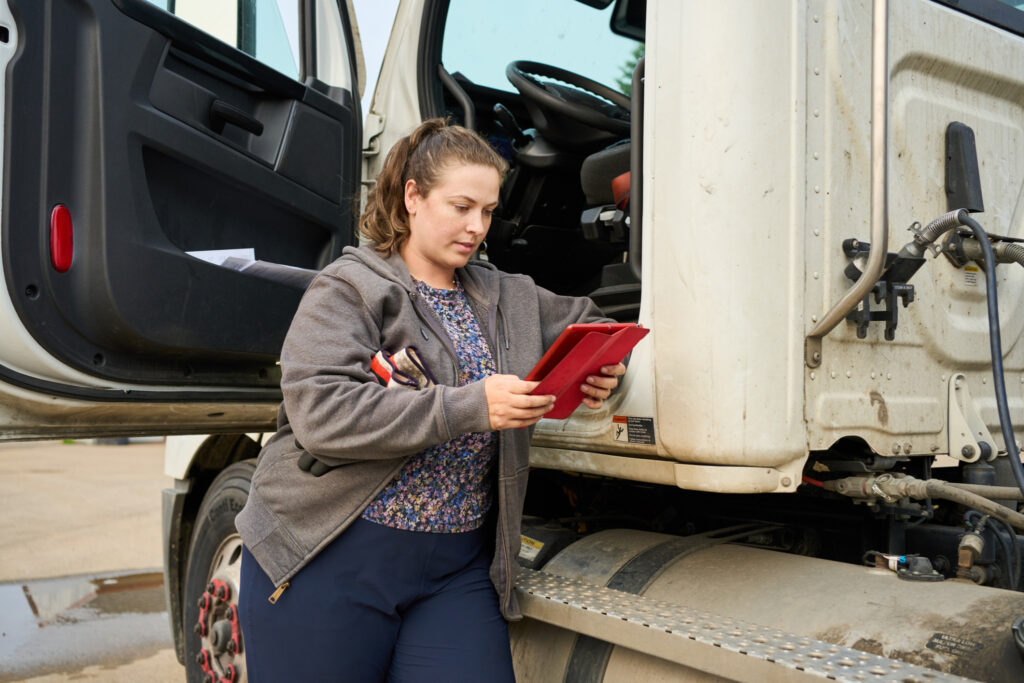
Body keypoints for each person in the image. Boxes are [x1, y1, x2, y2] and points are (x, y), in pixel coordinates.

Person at [234, 118, 625, 681]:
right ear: (412, 197)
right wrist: (469, 406)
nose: (476, 228)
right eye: (461, 206)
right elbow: (322, 415)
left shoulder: (506, 293)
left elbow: (594, 325)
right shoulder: (349, 289)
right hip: (332, 555)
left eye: (488, 212)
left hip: (455, 569)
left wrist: (603, 367)